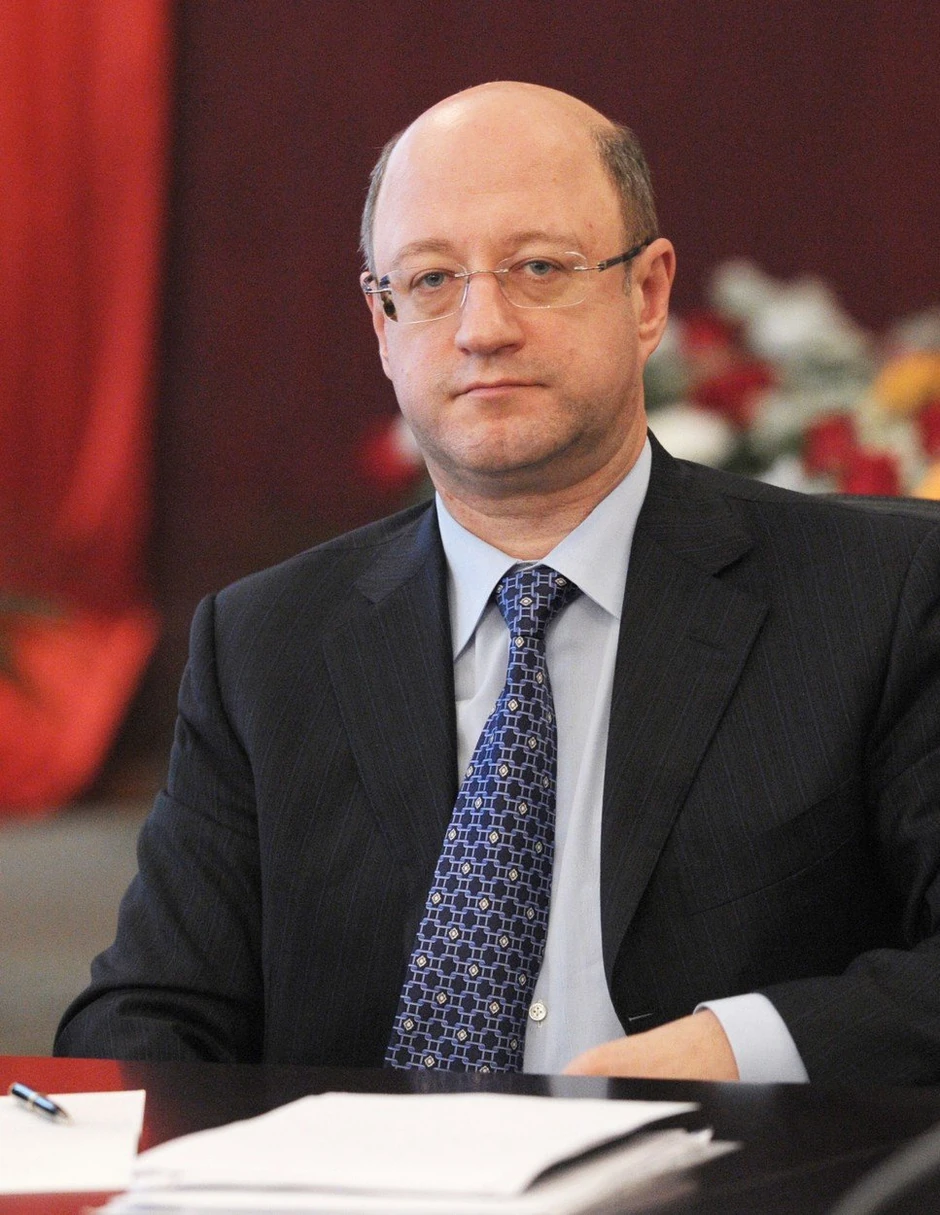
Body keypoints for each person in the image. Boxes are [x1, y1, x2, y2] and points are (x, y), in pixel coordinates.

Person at [56, 82, 940, 1085]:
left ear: (647, 295)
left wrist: (734, 1052)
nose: (483, 327)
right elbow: (146, 1014)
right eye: (431, 279)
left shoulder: (879, 597)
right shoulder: (264, 644)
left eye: (538, 267)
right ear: (381, 322)